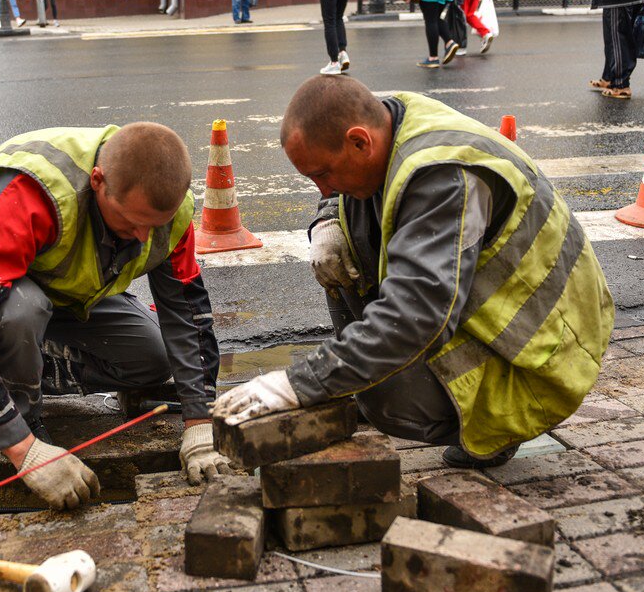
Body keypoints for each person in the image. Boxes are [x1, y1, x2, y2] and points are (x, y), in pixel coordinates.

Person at [212, 76, 613, 469]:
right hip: (480, 304)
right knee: (341, 260)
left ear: (359, 141)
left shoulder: (443, 177)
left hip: (541, 355)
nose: (322, 188)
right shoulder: (388, 119)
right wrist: (329, 217)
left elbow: (414, 317)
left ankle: (499, 428)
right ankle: (363, 371)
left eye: (324, 173)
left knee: (385, 394)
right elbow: (348, 201)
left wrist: (299, 383)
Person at [0, 122, 230, 509]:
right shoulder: (33, 194)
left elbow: (186, 313)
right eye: (130, 223)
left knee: (152, 356)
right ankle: (23, 420)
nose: (144, 237)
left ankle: (15, 368)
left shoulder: (169, 212)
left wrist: (199, 421)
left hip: (48, 281)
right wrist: (22, 449)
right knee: (23, 310)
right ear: (97, 181)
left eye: (153, 225)